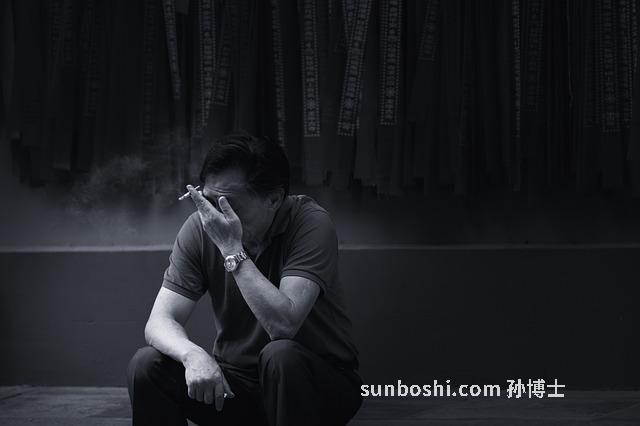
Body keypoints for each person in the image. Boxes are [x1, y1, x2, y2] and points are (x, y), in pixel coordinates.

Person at [127, 133, 363, 426]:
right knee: (146, 365)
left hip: (314, 383)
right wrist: (192, 354)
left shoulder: (310, 222)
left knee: (280, 355)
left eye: (228, 205)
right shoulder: (201, 226)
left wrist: (231, 249)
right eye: (209, 201)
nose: (215, 216)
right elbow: (159, 322)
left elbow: (283, 325)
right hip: (237, 385)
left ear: (274, 199)